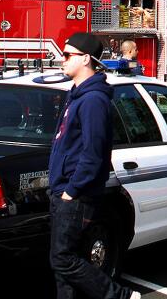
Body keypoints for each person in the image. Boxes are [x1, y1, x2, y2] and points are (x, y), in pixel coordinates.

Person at [48, 32, 140, 299]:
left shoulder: (93, 100)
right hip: (62, 191)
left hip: (76, 194)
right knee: (63, 267)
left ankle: (120, 296)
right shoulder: (76, 95)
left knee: (62, 259)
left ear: (86, 58)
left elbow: (94, 153)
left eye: (67, 55)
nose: (61, 60)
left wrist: (72, 190)